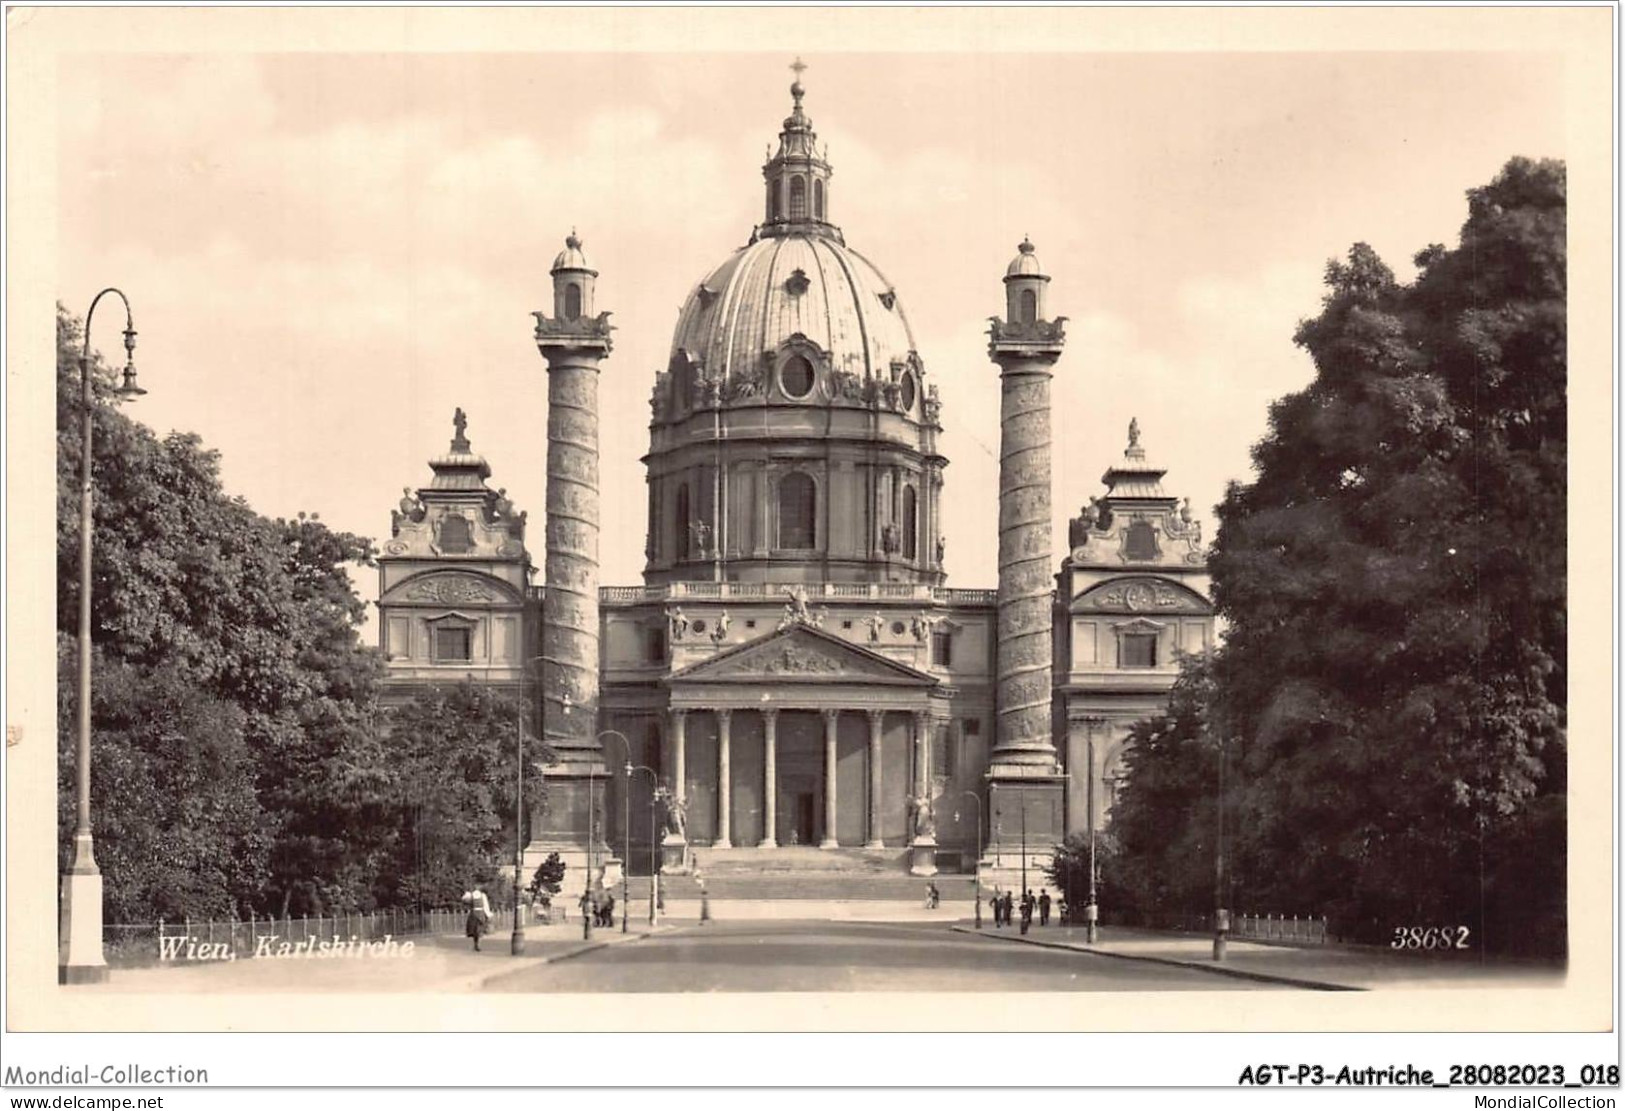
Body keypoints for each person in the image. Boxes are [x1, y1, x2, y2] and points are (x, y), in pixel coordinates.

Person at [464, 887, 492, 951]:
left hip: (476, 914)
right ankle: (476, 945)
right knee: (476, 931)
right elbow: (486, 905)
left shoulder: (480, 895)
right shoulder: (473, 895)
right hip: (476, 914)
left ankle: (477, 945)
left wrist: (487, 914)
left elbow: (485, 905)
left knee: (478, 930)